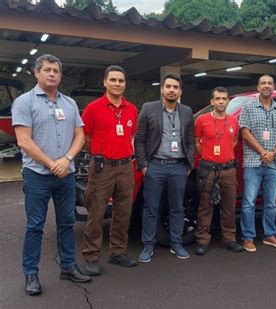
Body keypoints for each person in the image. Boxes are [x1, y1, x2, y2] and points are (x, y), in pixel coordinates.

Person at [12, 54, 91, 295]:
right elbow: (24, 140)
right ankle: (31, 274)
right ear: (36, 73)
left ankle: (68, 266)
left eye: (56, 70)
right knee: (35, 226)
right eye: (47, 69)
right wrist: (51, 163)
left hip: (65, 174)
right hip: (38, 175)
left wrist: (66, 160)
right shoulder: (25, 102)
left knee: (67, 222)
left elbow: (80, 135)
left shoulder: (69, 104)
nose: (52, 74)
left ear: (60, 75)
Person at [81, 65, 138, 275]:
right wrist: (98, 152)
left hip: (125, 167)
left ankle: (117, 253)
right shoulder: (93, 108)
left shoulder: (132, 109)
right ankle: (91, 256)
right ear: (104, 82)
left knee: (123, 213)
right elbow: (83, 137)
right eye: (113, 80)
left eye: (121, 81)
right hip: (102, 167)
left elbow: (130, 135)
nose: (117, 84)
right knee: (96, 214)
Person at [135, 74, 195, 261]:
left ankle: (176, 244)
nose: (171, 90)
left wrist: (189, 163)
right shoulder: (148, 109)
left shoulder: (186, 111)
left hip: (178, 167)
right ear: (161, 89)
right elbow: (139, 139)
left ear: (180, 91)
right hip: (156, 166)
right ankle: (148, 246)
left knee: (177, 208)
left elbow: (191, 140)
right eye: (168, 86)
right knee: (151, 208)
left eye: (175, 87)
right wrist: (144, 165)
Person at [238, 75, 276, 252]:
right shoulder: (247, 108)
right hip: (253, 163)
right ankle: (248, 237)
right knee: (248, 202)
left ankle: (270, 235)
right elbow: (245, 133)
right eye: (263, 83)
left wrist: (274, 152)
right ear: (258, 87)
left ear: (273, 87)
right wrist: (263, 152)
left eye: (269, 83)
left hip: (274, 163)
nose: (266, 86)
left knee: (271, 203)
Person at [194, 87, 243, 255]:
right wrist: (208, 156)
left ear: (227, 101)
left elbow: (235, 141)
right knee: (205, 206)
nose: (221, 101)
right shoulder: (202, 120)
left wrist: (224, 155)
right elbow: (197, 141)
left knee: (229, 206)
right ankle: (202, 239)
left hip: (228, 170)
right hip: (208, 169)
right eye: (218, 98)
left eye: (224, 98)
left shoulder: (233, 121)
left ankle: (229, 238)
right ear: (212, 101)